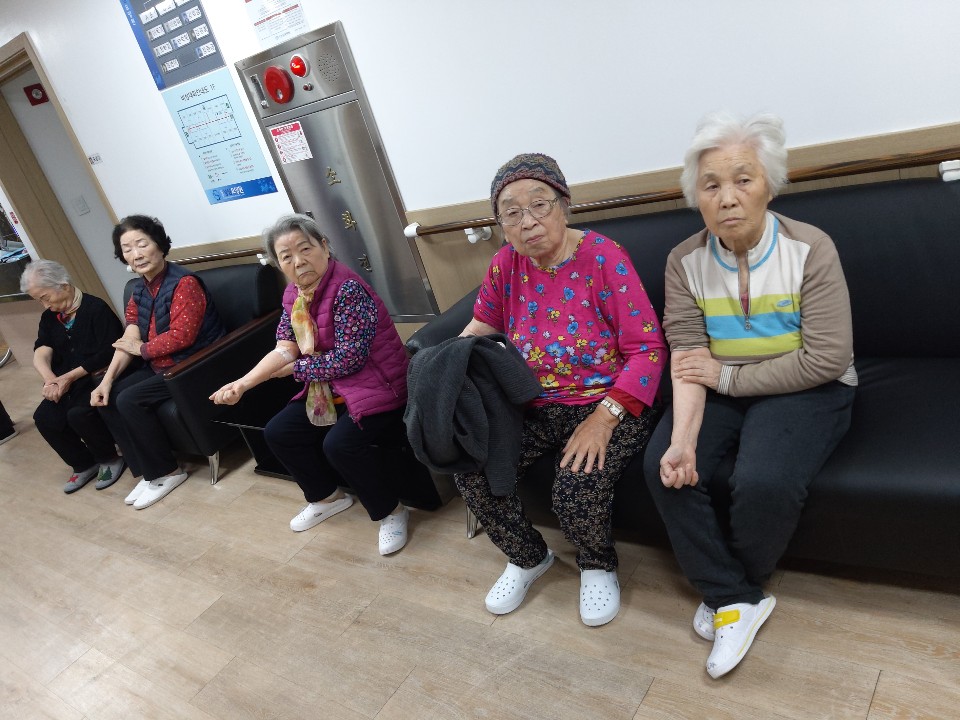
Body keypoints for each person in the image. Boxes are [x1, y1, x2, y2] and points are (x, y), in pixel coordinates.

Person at [643, 112, 858, 678]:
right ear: (696, 197)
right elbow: (689, 360)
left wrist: (729, 379)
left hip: (808, 386)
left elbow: (826, 358)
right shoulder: (683, 262)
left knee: (763, 481)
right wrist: (683, 439)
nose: (728, 197)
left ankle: (728, 593)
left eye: (743, 179)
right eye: (711, 185)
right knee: (664, 466)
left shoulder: (810, 248)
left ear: (769, 185)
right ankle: (734, 597)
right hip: (719, 384)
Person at [456, 153, 665, 626]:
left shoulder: (603, 256)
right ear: (501, 225)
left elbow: (648, 350)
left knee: (575, 488)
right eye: (512, 212)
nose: (527, 221)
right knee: (472, 467)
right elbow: (482, 323)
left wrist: (602, 420)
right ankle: (529, 557)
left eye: (539, 204)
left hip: (607, 402)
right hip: (533, 403)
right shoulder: (505, 264)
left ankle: (597, 563)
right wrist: (442, 365)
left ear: (564, 205)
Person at [210, 214, 413, 555]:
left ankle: (391, 512)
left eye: (305, 249)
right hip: (332, 389)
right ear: (279, 264)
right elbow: (284, 347)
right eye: (286, 256)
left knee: (340, 444)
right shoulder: (294, 294)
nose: (298, 261)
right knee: (279, 432)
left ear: (324, 247)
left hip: (380, 386)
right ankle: (327, 498)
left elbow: (350, 359)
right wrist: (243, 384)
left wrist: (296, 369)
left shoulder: (348, 289)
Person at [91, 215, 225, 509]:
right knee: (108, 397)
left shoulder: (184, 283)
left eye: (142, 244)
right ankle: (148, 472)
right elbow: (129, 336)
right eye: (127, 249)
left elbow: (182, 337)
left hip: (192, 366)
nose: (136, 254)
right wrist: (106, 381)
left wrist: (141, 349)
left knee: (129, 399)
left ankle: (168, 472)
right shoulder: (139, 288)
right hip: (161, 365)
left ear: (160, 245)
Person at [20, 260, 126, 492]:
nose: (45, 305)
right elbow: (42, 349)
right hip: (67, 381)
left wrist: (69, 377)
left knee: (78, 414)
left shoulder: (96, 309)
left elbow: (109, 352)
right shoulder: (50, 317)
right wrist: (50, 379)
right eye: (39, 300)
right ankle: (84, 464)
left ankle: (109, 458)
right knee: (44, 417)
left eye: (45, 297)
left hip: (96, 378)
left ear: (64, 286)